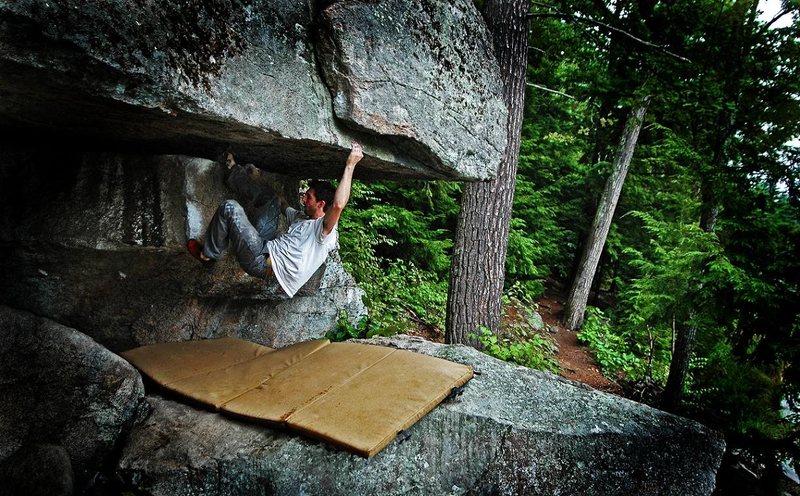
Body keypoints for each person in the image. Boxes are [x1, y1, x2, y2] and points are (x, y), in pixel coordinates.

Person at [187, 142, 363, 297]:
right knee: (272, 199)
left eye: (308, 197)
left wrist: (350, 165)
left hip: (261, 261)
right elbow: (281, 202)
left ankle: (208, 256)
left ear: (321, 204)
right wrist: (259, 179)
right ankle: (232, 171)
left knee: (230, 208)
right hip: (264, 245)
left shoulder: (323, 232)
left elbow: (339, 205)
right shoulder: (302, 218)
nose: (303, 199)